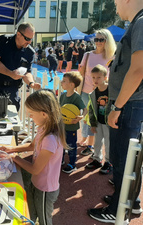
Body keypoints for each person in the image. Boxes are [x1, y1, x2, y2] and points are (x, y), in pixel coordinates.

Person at [88, 0, 143, 223]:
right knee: (125, 157)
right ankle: (129, 202)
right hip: (129, 103)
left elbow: (138, 70)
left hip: (128, 104)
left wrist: (117, 107)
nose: (115, 4)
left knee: (122, 158)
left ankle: (119, 210)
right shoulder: (136, 23)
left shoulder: (140, 22)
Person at [0, 89, 67, 225]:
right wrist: (12, 148)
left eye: (31, 114)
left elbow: (35, 169)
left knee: (45, 220)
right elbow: (31, 146)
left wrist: (15, 157)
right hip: (37, 183)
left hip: (45, 189)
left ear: (44, 114)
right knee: (31, 213)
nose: (30, 117)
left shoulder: (50, 139)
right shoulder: (43, 128)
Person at [78, 29, 116, 156]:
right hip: (86, 91)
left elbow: (112, 76)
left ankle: (91, 145)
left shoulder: (111, 57)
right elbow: (81, 73)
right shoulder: (87, 55)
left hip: (102, 94)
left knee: (97, 119)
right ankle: (87, 141)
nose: (98, 42)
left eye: (101, 39)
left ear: (107, 41)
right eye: (96, 39)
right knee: (87, 118)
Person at [0, 22, 41, 111]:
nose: (29, 42)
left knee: (12, 119)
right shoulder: (4, 40)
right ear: (18, 34)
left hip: (12, 89)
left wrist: (31, 83)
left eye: (31, 39)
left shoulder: (30, 52)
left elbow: (27, 72)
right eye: (27, 38)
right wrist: (10, 73)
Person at [85, 65, 112, 174]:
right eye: (93, 77)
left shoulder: (111, 91)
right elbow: (91, 109)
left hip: (108, 122)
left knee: (108, 142)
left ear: (105, 77)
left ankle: (109, 162)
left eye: (98, 77)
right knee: (97, 142)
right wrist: (93, 124)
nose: (95, 80)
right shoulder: (93, 93)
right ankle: (97, 159)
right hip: (99, 122)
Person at [60, 71, 87, 173]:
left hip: (71, 127)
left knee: (71, 146)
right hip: (62, 126)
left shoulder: (76, 97)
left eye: (64, 81)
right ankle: (61, 160)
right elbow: (60, 109)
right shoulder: (63, 95)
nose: (62, 82)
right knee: (61, 144)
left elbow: (85, 109)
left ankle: (72, 164)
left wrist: (81, 116)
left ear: (71, 85)